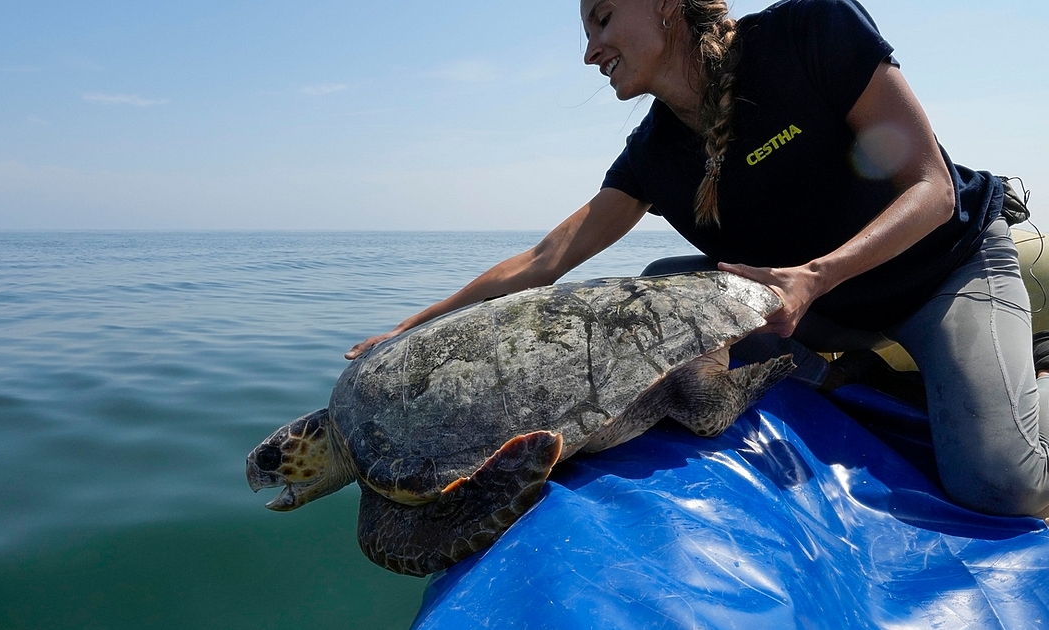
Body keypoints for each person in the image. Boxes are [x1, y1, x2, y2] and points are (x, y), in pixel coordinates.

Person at [345, 0, 1049, 518]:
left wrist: (815, 277)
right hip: (822, 311)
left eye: (601, 20)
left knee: (1000, 486)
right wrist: (417, 326)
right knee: (662, 288)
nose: (590, 51)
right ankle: (858, 375)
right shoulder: (654, 156)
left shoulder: (811, 32)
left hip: (944, 273)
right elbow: (547, 257)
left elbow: (931, 189)